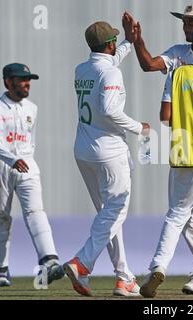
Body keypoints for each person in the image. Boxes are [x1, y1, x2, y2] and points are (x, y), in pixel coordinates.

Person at [123, 3, 193, 295]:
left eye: (191, 23)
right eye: (184, 22)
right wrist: (138, 42)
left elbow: (166, 115)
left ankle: (171, 268)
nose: (185, 27)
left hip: (184, 147)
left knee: (182, 214)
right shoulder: (190, 55)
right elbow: (148, 64)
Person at [62, 20, 150, 297]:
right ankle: (82, 262)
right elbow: (110, 110)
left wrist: (129, 41)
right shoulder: (110, 73)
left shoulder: (83, 68)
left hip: (84, 150)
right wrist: (140, 128)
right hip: (109, 152)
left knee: (108, 217)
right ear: (110, 44)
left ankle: (124, 278)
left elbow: (109, 63)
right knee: (115, 212)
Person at [0, 63, 64, 287]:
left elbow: (31, 140)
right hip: (2, 165)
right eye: (22, 79)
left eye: (29, 79)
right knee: (0, 216)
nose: (27, 83)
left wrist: (25, 160)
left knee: (35, 211)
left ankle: (49, 260)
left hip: (27, 165)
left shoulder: (32, 108)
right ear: (8, 82)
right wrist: (11, 159)